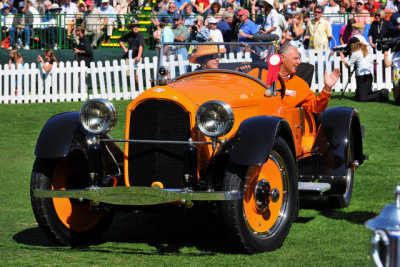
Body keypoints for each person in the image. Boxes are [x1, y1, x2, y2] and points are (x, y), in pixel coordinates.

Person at [277, 44, 341, 113]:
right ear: (282, 58)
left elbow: (315, 107)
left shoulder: (300, 84)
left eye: (299, 59)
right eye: (295, 59)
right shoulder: (265, 78)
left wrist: (327, 88)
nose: (299, 62)